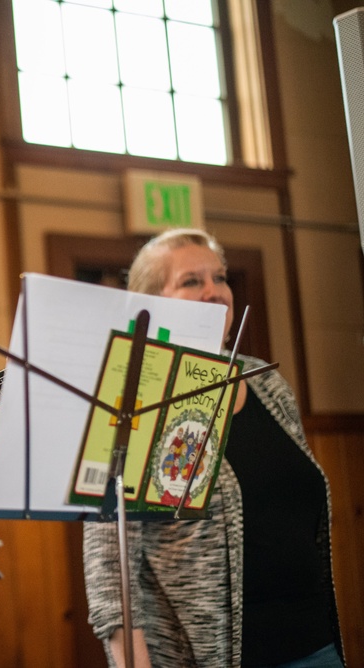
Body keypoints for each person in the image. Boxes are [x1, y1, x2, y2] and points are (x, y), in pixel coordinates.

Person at [82, 228, 344, 667]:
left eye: (219, 278)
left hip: (313, 642)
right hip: (209, 656)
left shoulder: (265, 380)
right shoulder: (139, 396)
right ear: (151, 303)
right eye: (191, 281)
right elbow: (110, 568)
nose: (214, 293)